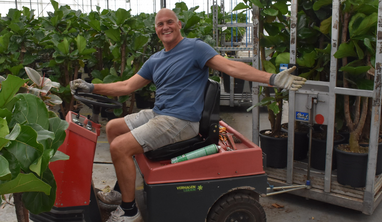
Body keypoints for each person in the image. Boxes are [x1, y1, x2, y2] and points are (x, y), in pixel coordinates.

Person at [70, 8, 306, 222]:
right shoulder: (156, 60)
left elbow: (231, 67)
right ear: (156, 29)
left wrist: (272, 79)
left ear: (179, 24)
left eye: (169, 22)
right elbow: (126, 87)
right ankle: (121, 191)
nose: (165, 27)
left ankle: (130, 211)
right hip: (160, 114)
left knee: (120, 147)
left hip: (181, 120)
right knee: (112, 128)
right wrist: (91, 87)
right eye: (160, 24)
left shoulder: (195, 48)